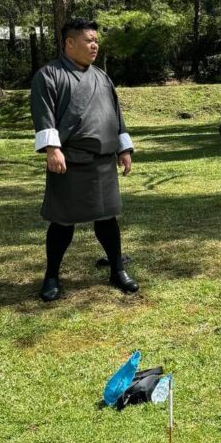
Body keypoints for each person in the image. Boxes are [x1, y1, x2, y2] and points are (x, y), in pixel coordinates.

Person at [29, 17, 139, 302]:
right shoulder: (49, 75)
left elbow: (116, 115)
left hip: (103, 163)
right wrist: (52, 149)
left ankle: (117, 270)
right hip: (69, 160)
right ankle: (52, 275)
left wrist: (123, 147)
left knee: (107, 220)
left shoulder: (102, 77)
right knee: (62, 223)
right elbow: (44, 116)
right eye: (89, 40)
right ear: (69, 43)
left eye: (96, 41)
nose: (94, 46)